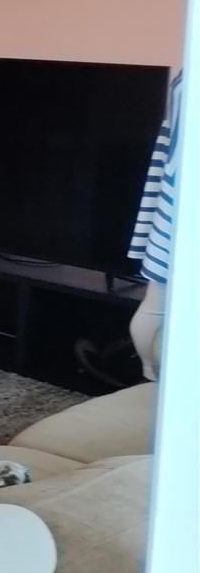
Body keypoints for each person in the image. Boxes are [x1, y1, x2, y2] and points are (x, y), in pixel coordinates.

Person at [128, 70, 180, 379]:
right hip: (178, 202)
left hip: (172, 195)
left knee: (156, 299)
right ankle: (152, 378)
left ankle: (152, 379)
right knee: (158, 299)